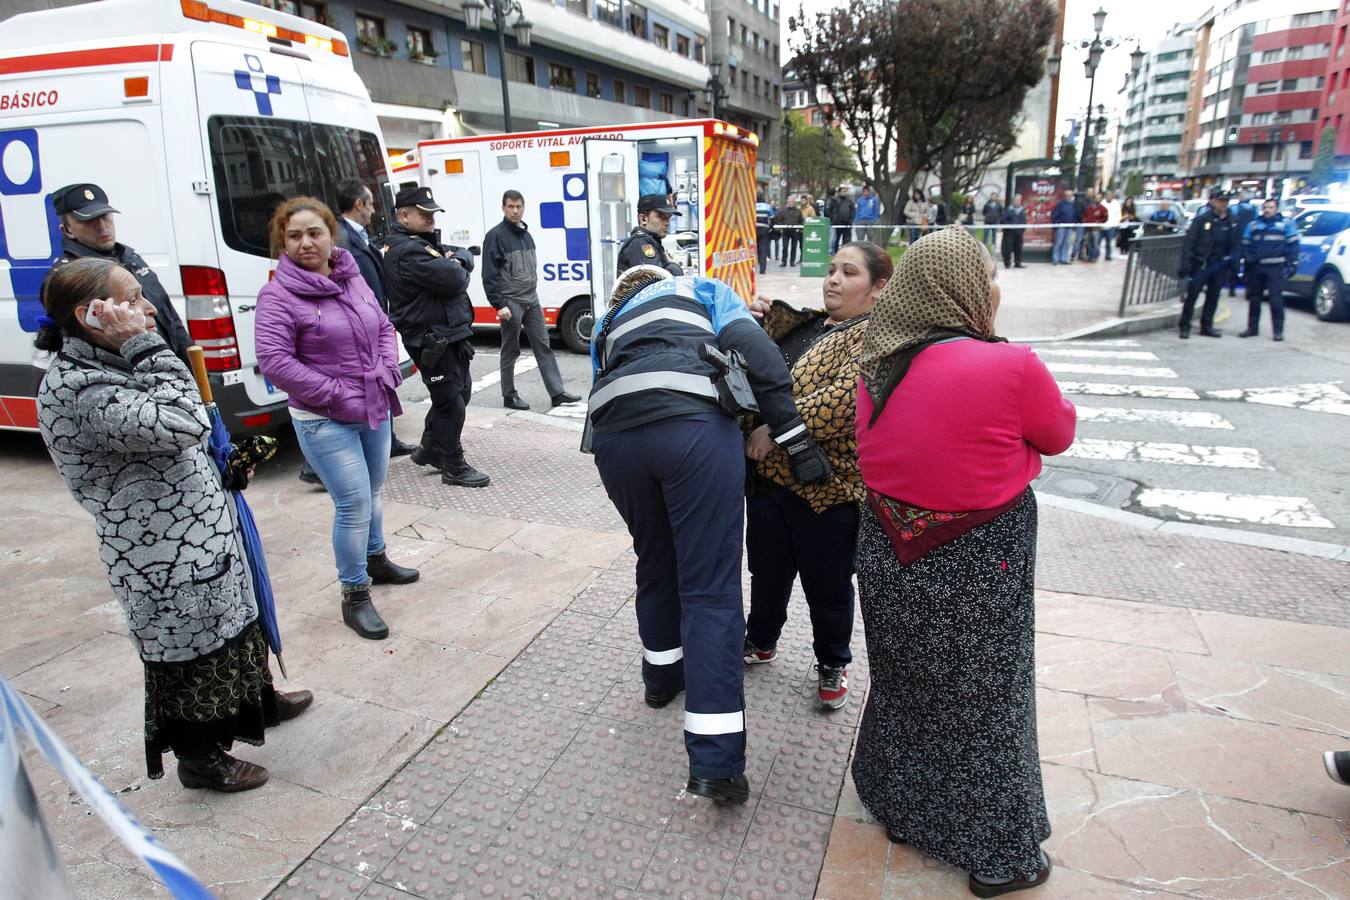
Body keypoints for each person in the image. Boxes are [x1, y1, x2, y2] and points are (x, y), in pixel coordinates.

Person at [852, 226, 1075, 896]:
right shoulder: (1010, 366)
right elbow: (1057, 434)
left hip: (889, 551)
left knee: (905, 681)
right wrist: (1022, 457)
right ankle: (1001, 855)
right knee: (988, 700)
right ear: (966, 289)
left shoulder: (877, 364)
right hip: (980, 562)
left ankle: (904, 810)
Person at [35, 257, 313, 792]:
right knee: (192, 652)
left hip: (203, 532)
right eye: (132, 299)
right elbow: (184, 420)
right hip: (160, 555)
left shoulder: (114, 365)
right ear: (91, 315)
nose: (146, 310)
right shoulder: (81, 388)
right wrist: (148, 347)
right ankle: (201, 759)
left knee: (235, 626)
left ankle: (257, 705)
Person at [587, 265, 832, 806]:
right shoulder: (701, 289)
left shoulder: (609, 321)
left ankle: (661, 679)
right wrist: (796, 441)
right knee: (710, 590)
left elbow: (602, 385)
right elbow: (761, 357)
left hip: (615, 443)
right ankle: (716, 763)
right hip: (692, 429)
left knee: (654, 561)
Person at [255, 197, 418, 641]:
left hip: (372, 404)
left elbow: (383, 327)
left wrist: (385, 368)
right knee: (353, 504)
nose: (306, 242)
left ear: (331, 235)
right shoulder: (278, 296)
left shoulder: (352, 276)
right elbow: (274, 361)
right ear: (282, 244)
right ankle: (355, 592)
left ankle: (376, 559)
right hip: (323, 417)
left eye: (314, 232)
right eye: (294, 236)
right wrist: (335, 393)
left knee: (374, 491)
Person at [742, 242, 893, 711]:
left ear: (878, 287)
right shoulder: (807, 324)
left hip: (828, 491)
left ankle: (832, 661)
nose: (832, 279)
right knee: (767, 573)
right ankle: (761, 640)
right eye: (831, 269)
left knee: (827, 587)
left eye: (848, 272)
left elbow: (844, 401)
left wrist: (775, 430)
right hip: (770, 482)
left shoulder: (877, 340)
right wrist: (754, 322)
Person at [298, 178, 418, 489]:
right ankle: (314, 467)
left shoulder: (356, 238)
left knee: (371, 491)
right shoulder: (342, 240)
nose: (375, 208)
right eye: (371, 202)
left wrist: (389, 362)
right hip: (354, 337)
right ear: (359, 204)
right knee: (356, 500)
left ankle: (387, 436)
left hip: (371, 324)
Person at [382, 186, 491, 488]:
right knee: (450, 404)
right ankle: (453, 465)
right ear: (404, 216)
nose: (431, 218)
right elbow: (454, 278)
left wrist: (453, 258)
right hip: (432, 339)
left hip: (446, 335)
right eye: (424, 213)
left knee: (460, 394)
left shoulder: (417, 245)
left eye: (433, 213)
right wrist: (461, 260)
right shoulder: (408, 250)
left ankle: (431, 449)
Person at [43, 183, 191, 361]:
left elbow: (169, 316)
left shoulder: (130, 257)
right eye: (88, 220)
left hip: (165, 363)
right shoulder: (68, 277)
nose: (101, 225)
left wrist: (191, 363)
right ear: (67, 230)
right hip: (129, 374)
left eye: (104, 216)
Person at [482, 190, 581, 411]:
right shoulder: (495, 236)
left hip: (531, 300)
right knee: (511, 351)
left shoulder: (526, 234)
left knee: (544, 347)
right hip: (511, 302)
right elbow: (488, 275)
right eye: (510, 207)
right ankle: (509, 395)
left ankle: (557, 393)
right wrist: (499, 304)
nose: (515, 211)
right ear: (503, 208)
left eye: (519, 206)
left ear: (523, 207)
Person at [1179, 189, 1239, 339]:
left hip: (1220, 265)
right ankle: (1185, 325)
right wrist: (1185, 264)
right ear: (1213, 202)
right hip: (1202, 264)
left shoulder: (1232, 220)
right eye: (1220, 201)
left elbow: (1236, 244)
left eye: (1226, 201)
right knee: (1192, 296)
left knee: (1213, 296)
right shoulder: (1202, 219)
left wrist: (1234, 263)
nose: (1223, 204)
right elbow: (1189, 243)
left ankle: (1206, 325)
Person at [1239, 198, 1299, 342]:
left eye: (1270, 207)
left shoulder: (1285, 225)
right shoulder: (1253, 225)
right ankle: (1252, 328)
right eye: (1265, 207)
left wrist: (1292, 262)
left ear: (1276, 209)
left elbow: (1293, 245)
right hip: (1257, 267)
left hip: (1275, 268)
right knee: (1254, 299)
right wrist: (1248, 258)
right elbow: (1245, 244)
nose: (1267, 210)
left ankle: (1278, 331)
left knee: (1276, 300)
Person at [616, 194, 685, 275]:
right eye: (661, 216)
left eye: (668, 217)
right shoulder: (639, 243)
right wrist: (675, 266)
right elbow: (658, 281)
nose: (667, 222)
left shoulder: (651, 241)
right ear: (643, 219)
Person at [1229, 190, 1259, 297]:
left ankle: (1232, 288)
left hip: (1237, 240)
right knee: (1249, 266)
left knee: (1235, 265)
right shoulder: (1255, 209)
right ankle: (1248, 290)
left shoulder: (1234, 208)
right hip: (1250, 242)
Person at [1000, 194, 1028, 269]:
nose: (1017, 202)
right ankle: (1007, 263)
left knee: (1018, 248)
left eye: (1019, 200)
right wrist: (1010, 226)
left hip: (1019, 234)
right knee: (1007, 249)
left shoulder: (1022, 210)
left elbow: (1024, 221)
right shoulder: (1008, 210)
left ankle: (1017, 263)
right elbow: (1002, 220)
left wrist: (1022, 230)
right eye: (1016, 200)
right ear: (1013, 201)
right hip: (1009, 233)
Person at [1051, 189, 1077, 265]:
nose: (1069, 197)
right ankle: (1055, 259)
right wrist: (1058, 223)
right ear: (1064, 196)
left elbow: (1075, 215)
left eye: (1070, 195)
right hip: (1061, 227)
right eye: (1067, 195)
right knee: (1058, 243)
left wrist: (1074, 223)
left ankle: (1064, 259)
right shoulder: (1060, 204)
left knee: (1066, 243)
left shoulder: (1073, 205)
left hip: (1069, 227)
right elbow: (1054, 216)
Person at [776, 199, 804, 266]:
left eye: (791, 202)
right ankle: (784, 261)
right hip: (786, 231)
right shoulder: (783, 211)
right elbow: (778, 220)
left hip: (795, 232)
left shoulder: (798, 211)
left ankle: (792, 262)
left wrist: (798, 228)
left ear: (794, 202)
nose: (790, 203)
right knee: (785, 246)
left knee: (794, 247)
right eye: (789, 202)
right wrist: (782, 226)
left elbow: (801, 221)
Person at [1082, 193, 1107, 262]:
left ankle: (1095, 257)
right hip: (1088, 228)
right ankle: (1090, 256)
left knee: (1096, 244)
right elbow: (1085, 216)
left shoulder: (1103, 209)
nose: (1097, 199)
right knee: (1089, 243)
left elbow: (1105, 218)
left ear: (1101, 199)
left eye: (1099, 198)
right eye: (1096, 198)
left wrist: (1100, 221)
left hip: (1096, 229)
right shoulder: (1090, 207)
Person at [830, 186, 855, 253]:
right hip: (838, 224)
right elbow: (832, 211)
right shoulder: (835, 200)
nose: (845, 193)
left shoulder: (849, 200)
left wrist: (851, 220)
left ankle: (846, 253)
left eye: (846, 191)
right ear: (839, 192)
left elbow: (853, 210)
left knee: (847, 240)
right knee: (836, 239)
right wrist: (835, 220)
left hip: (847, 223)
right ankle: (835, 252)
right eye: (843, 191)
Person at [755, 194, 774, 275]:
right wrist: (769, 227)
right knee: (763, 250)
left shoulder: (752, 205)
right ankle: (762, 269)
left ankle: (755, 265)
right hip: (764, 230)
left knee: (755, 249)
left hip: (754, 230)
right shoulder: (767, 207)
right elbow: (773, 219)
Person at [1100, 190, 1121, 261]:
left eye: (1109, 195)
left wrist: (1116, 224)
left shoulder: (1116, 204)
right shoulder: (1102, 203)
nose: (1108, 197)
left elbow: (1118, 215)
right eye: (1107, 195)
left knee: (1109, 242)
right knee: (1097, 241)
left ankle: (1108, 255)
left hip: (1111, 226)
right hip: (1101, 226)